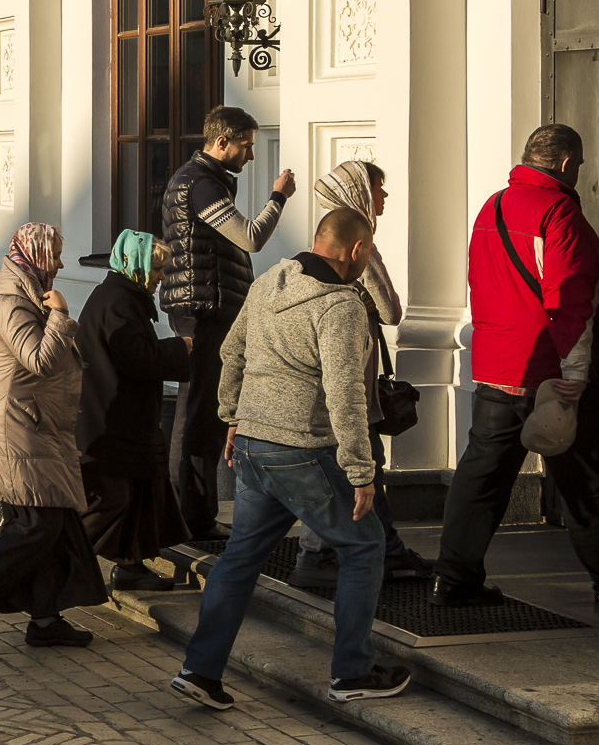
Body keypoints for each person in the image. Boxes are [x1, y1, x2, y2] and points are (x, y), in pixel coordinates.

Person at [171, 209, 412, 711]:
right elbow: (344, 393)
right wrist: (362, 471)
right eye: (369, 250)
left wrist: (231, 415)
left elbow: (230, 352)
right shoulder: (340, 307)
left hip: (254, 447)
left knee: (239, 558)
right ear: (357, 249)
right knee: (365, 545)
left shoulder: (268, 283)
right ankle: (351, 672)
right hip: (302, 448)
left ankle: (200, 668)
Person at [431, 124, 599, 613]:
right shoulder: (560, 213)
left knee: (481, 478)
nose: (579, 172)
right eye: (579, 164)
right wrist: (576, 376)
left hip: (499, 364)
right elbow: (571, 303)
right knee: (586, 478)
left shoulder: (492, 206)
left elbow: (482, 281)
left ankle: (454, 578)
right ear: (565, 164)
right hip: (551, 371)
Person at [0, 223, 107, 649]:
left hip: (32, 427)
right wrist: (62, 316)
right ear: (34, 255)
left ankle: (46, 621)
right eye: (54, 255)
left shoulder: (27, 301)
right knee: (38, 526)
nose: (62, 263)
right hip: (17, 431)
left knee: (54, 525)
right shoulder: (13, 307)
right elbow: (39, 361)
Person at [288, 161, 433, 587]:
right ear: (360, 193)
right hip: (350, 374)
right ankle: (319, 557)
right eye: (377, 190)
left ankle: (381, 550)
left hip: (328, 374)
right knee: (355, 466)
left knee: (358, 465)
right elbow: (391, 310)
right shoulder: (359, 246)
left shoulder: (320, 241)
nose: (384, 198)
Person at [159, 107, 295, 540]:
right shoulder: (200, 185)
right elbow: (251, 237)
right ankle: (192, 518)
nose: (251, 154)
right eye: (246, 145)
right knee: (202, 415)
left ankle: (184, 515)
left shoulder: (201, 180)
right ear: (222, 143)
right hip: (205, 312)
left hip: (202, 308)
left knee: (194, 412)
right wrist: (279, 197)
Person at [74, 229, 191, 592]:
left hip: (125, 420)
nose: (160, 278)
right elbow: (136, 358)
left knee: (140, 491)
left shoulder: (122, 296)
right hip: (111, 424)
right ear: (137, 264)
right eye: (157, 270)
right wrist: (180, 348)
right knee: (112, 499)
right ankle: (56, 556)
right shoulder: (119, 301)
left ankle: (131, 565)